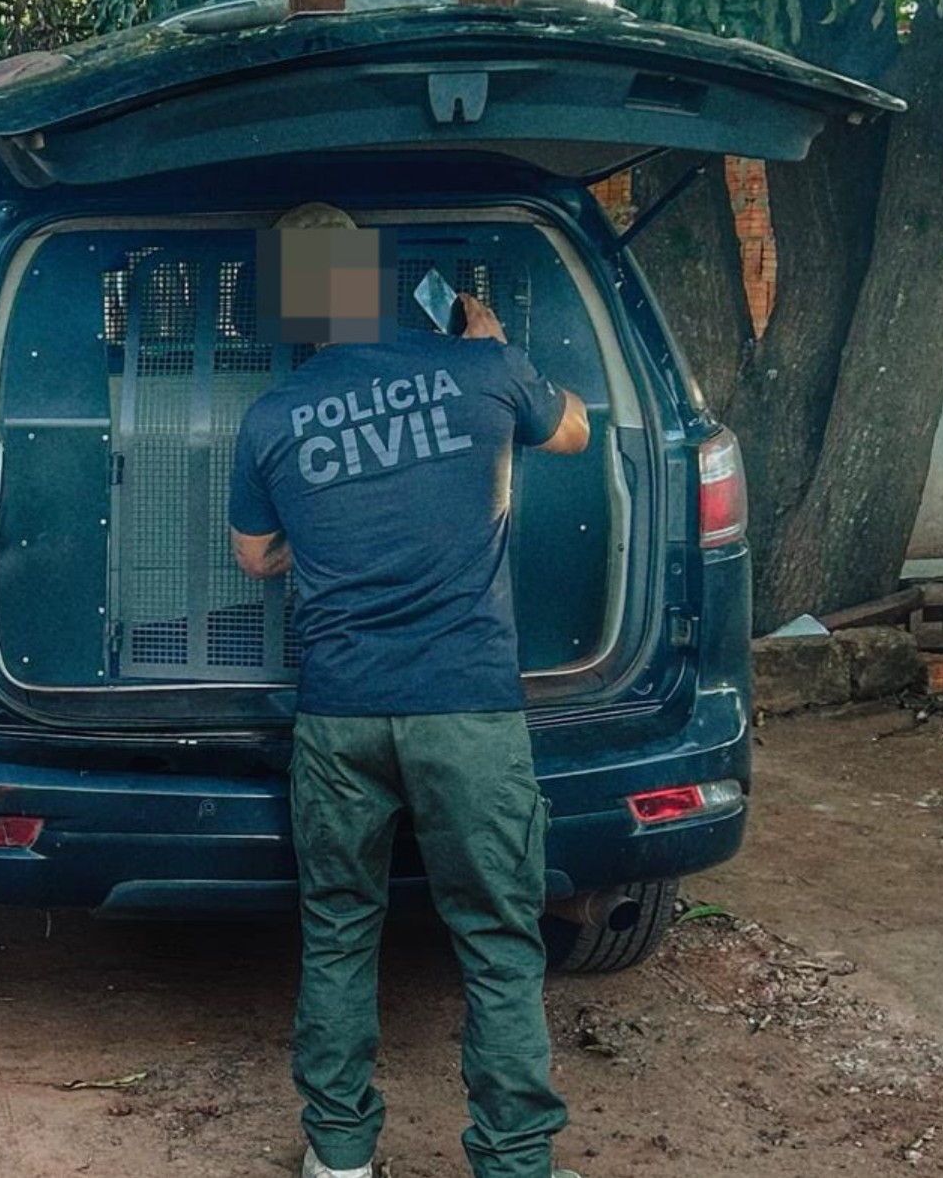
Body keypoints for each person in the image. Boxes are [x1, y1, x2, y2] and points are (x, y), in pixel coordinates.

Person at [229, 203, 591, 1178]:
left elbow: (253, 556)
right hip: (468, 708)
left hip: (340, 711)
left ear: (292, 305)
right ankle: (513, 1163)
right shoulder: (483, 369)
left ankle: (341, 1155)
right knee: (498, 939)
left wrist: (329, 527)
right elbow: (574, 431)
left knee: (340, 931)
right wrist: (496, 352)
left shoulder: (271, 416)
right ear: (372, 278)